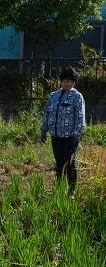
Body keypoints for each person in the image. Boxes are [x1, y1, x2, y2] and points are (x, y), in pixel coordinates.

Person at [41, 67, 86, 197]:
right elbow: (47, 113)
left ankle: (71, 191)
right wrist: (44, 130)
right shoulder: (53, 96)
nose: (69, 84)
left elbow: (80, 117)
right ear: (61, 81)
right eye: (66, 81)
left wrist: (77, 136)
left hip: (70, 137)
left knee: (70, 164)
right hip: (56, 136)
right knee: (59, 163)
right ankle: (60, 189)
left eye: (72, 81)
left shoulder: (77, 96)